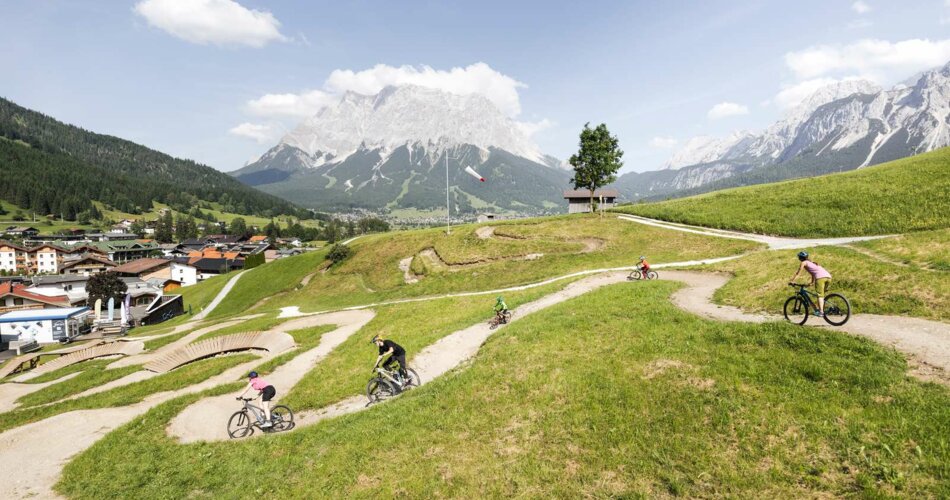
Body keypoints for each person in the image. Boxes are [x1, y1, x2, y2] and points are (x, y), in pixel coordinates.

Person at [790, 251, 832, 317]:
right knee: (821, 295)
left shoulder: (803, 263)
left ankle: (821, 312)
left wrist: (793, 281)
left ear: (800, 258)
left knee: (820, 295)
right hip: (828, 277)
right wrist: (812, 282)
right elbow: (813, 273)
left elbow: (798, 273)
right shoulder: (812, 263)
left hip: (820, 278)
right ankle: (820, 309)